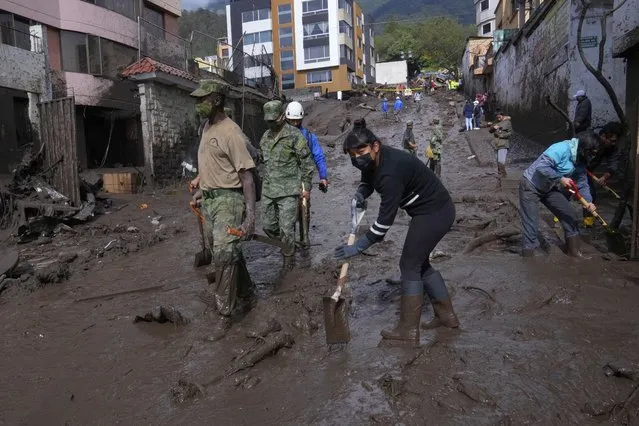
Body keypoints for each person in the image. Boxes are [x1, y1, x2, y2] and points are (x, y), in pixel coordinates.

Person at [334, 127, 459, 345]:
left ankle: (408, 330)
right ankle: (447, 317)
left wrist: (360, 246)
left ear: (375, 146)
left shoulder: (391, 173)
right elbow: (367, 179)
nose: (357, 159)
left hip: (434, 213)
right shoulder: (376, 160)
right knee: (420, 264)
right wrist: (361, 193)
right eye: (352, 155)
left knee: (409, 265)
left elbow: (383, 224)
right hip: (431, 211)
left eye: (361, 152)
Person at [189, 80, 257, 340]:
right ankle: (246, 292)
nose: (197, 105)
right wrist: (201, 187)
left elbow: (247, 176)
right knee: (226, 250)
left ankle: (224, 316)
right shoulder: (206, 127)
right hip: (210, 199)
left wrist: (250, 217)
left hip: (229, 200)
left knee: (223, 254)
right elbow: (213, 165)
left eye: (202, 99)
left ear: (216, 100)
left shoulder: (231, 132)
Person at [519, 132, 601, 258]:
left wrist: (588, 202)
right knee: (531, 226)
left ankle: (573, 252)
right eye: (592, 153)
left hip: (549, 187)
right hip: (531, 186)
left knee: (570, 215)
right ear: (585, 148)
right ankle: (529, 258)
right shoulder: (561, 148)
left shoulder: (581, 160)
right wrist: (560, 178)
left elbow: (582, 184)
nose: (593, 157)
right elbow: (542, 167)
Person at [260, 100, 315, 271]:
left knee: (286, 228)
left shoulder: (294, 136)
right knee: (268, 226)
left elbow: (307, 162)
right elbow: (263, 161)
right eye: (268, 121)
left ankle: (288, 261)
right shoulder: (265, 138)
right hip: (269, 190)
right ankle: (287, 245)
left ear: (282, 117)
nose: (271, 123)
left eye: (274, 120)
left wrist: (306, 188)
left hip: (289, 191)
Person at [284, 101, 329, 253]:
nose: (295, 123)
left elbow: (319, 157)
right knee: (287, 214)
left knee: (304, 210)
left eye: (297, 120)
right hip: (285, 181)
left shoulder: (309, 138)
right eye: (292, 120)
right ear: (287, 119)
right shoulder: (280, 137)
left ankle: (304, 240)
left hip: (303, 180)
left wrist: (323, 176)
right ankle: (289, 244)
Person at [489, 112, 512, 177]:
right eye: (497, 117)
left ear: (502, 116)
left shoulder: (507, 122)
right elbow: (490, 130)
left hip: (503, 144)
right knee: (498, 160)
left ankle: (504, 175)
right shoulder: (495, 122)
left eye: (499, 117)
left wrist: (502, 135)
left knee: (501, 160)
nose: (498, 118)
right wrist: (493, 128)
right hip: (496, 144)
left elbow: (511, 133)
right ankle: (500, 174)